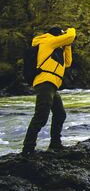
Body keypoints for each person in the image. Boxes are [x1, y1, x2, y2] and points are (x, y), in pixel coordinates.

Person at [22, 27, 76, 155]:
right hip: (45, 82)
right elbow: (71, 36)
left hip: (52, 85)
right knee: (41, 116)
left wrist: (67, 45)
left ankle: (55, 144)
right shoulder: (48, 41)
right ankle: (28, 148)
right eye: (61, 36)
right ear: (57, 36)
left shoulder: (56, 48)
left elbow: (67, 63)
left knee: (60, 114)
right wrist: (70, 30)